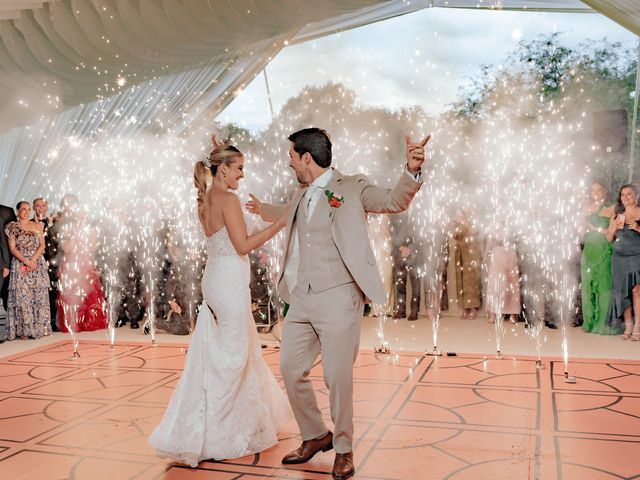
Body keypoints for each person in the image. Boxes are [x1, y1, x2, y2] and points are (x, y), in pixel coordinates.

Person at [247, 128, 429, 480]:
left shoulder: (352, 187)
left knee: (337, 378)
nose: (288, 163)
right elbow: (285, 213)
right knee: (289, 368)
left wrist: (411, 171)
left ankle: (343, 449)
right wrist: (260, 209)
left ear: (306, 158)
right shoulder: (300, 193)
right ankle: (315, 435)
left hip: (339, 298)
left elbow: (393, 201)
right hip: (301, 297)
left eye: (291, 157)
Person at [148, 139, 292, 467]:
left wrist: (221, 148)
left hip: (214, 279)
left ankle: (235, 418)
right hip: (228, 282)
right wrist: (278, 225)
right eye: (239, 168)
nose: (243, 174)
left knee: (229, 350)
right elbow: (242, 245)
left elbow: (226, 241)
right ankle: (216, 429)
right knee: (235, 355)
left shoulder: (207, 198)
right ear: (223, 168)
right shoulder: (228, 198)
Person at [54, 195, 107, 332]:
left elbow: (94, 248)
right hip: (71, 264)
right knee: (71, 292)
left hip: (86, 263)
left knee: (89, 292)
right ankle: (73, 321)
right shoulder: (66, 227)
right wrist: (75, 230)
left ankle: (89, 321)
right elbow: (66, 248)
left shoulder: (90, 228)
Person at [4, 201, 50, 340]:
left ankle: (39, 328)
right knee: (22, 297)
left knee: (39, 295)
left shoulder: (38, 225)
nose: (26, 211)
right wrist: (26, 261)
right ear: (17, 211)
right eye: (23, 209)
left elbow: (42, 245)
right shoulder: (12, 227)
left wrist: (33, 260)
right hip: (20, 263)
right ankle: (24, 329)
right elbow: (12, 248)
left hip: (37, 264)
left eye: (28, 209)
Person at [605, 184, 640, 340]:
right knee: (622, 292)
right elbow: (608, 238)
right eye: (623, 194)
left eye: (629, 194)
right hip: (619, 256)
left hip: (636, 254)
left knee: (636, 290)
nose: (626, 197)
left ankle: (637, 327)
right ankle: (628, 326)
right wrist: (613, 229)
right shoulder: (618, 215)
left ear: (636, 195)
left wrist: (638, 228)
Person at [581, 182, 614, 334]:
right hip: (588, 250)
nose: (595, 193)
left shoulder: (612, 208)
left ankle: (602, 324)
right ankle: (588, 322)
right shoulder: (585, 209)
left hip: (604, 249)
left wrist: (596, 229)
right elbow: (581, 232)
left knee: (604, 287)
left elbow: (610, 235)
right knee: (587, 288)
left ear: (605, 191)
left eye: (599, 189)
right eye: (592, 190)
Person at [31, 197, 59, 332]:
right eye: (37, 206)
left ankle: (52, 321)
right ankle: (37, 322)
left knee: (52, 292)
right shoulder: (29, 223)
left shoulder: (54, 223)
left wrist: (51, 225)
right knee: (36, 293)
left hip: (53, 262)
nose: (40, 208)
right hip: (36, 262)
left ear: (47, 207)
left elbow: (58, 242)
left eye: (43, 206)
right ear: (33, 208)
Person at [389, 211, 422, 321]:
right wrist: (401, 247)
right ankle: (401, 311)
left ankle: (414, 311)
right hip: (398, 253)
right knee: (400, 284)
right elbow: (392, 232)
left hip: (414, 253)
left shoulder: (418, 211)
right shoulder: (395, 212)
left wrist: (410, 249)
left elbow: (420, 234)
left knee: (415, 284)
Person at [0, 204, 17, 326]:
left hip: (1, 263)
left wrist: (6, 264)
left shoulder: (5, 211)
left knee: (6, 295)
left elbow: (6, 239)